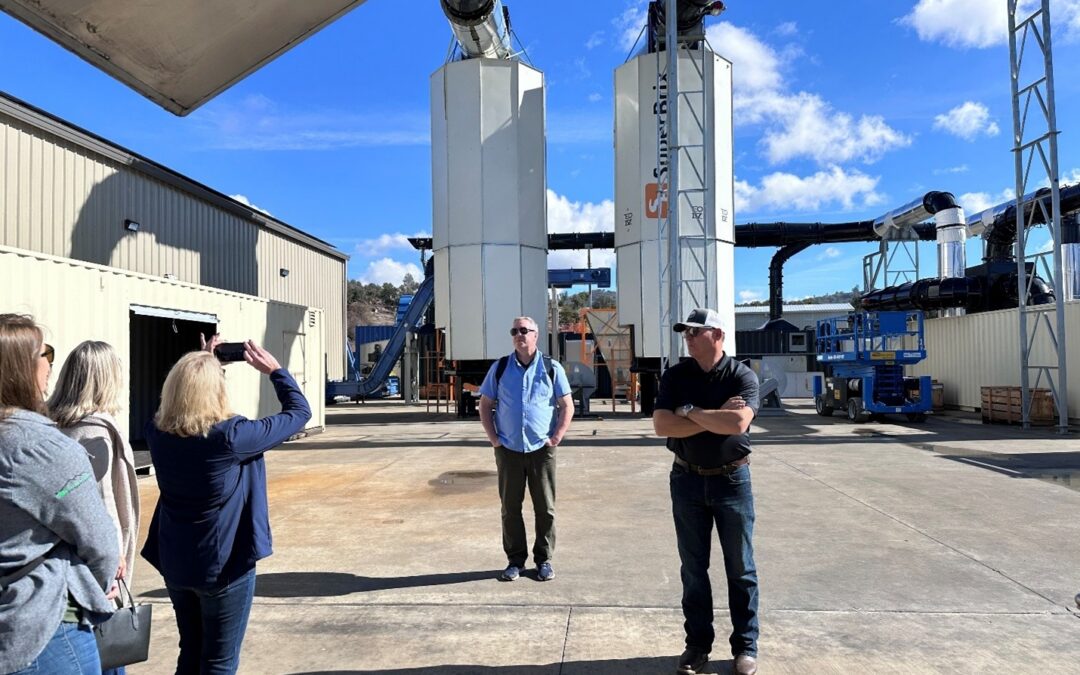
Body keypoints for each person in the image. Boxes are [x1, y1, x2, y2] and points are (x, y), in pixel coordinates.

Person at [141, 336, 311, 675]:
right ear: (215, 391)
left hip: (175, 562)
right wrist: (275, 371)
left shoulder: (156, 432)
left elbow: (186, 402)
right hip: (222, 566)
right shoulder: (231, 437)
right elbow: (299, 412)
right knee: (219, 662)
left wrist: (203, 362)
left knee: (190, 652)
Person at [0, 314, 119, 675]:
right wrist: (97, 585)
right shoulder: (41, 447)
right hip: (45, 627)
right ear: (20, 368)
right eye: (44, 353)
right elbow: (100, 543)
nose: (49, 363)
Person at [652, 308, 760, 675]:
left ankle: (745, 647)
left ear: (717, 335)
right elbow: (661, 425)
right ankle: (697, 645)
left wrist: (689, 413)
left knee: (740, 568)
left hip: (732, 482)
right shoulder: (676, 375)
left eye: (696, 332)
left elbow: (737, 423)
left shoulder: (742, 376)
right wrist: (709, 415)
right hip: (686, 481)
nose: (688, 336)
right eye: (686, 332)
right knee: (694, 569)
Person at [478, 316, 574, 582]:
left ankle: (544, 560)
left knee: (545, 508)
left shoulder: (551, 368)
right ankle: (515, 561)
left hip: (541, 450)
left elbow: (567, 405)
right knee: (510, 508)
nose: (519, 334)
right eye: (514, 331)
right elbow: (485, 404)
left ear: (536, 335)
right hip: (508, 449)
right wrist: (494, 439)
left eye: (524, 330)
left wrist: (556, 438)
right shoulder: (500, 368)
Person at [49, 342, 140, 583]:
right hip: (93, 562)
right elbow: (101, 501)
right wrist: (112, 554)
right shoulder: (95, 432)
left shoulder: (47, 423)